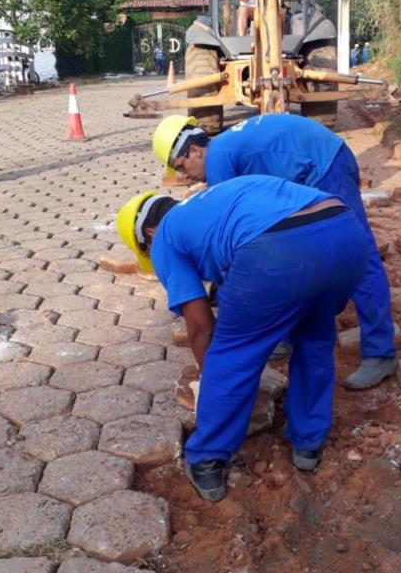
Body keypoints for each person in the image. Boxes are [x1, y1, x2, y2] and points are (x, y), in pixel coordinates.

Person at [116, 177, 368, 501]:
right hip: (346, 233)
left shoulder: (164, 237)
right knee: (314, 338)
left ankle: (208, 458)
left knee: (231, 353)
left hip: (279, 250)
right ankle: (308, 443)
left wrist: (213, 379)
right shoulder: (210, 201)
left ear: (148, 234)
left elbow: (202, 327)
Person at [152, 113, 398, 389]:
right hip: (315, 161)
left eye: (181, 166)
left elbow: (231, 234)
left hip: (327, 165)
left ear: (195, 151)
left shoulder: (218, 157)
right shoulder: (224, 148)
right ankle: (288, 336)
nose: (184, 176)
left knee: (361, 256)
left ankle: (380, 351)